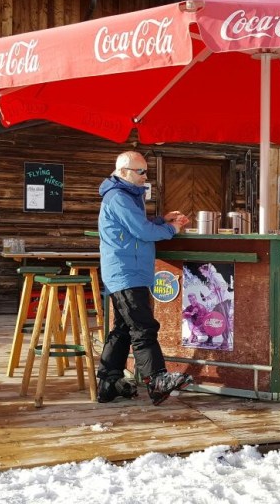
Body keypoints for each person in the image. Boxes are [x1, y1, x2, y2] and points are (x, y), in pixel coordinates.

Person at [97, 151, 194, 405]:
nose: (145, 176)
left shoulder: (127, 195)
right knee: (142, 327)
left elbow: (135, 224)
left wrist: (161, 220)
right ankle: (157, 380)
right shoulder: (119, 197)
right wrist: (171, 228)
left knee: (123, 328)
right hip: (125, 271)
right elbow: (142, 231)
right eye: (140, 171)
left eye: (146, 171)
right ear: (123, 172)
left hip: (127, 270)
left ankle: (109, 382)